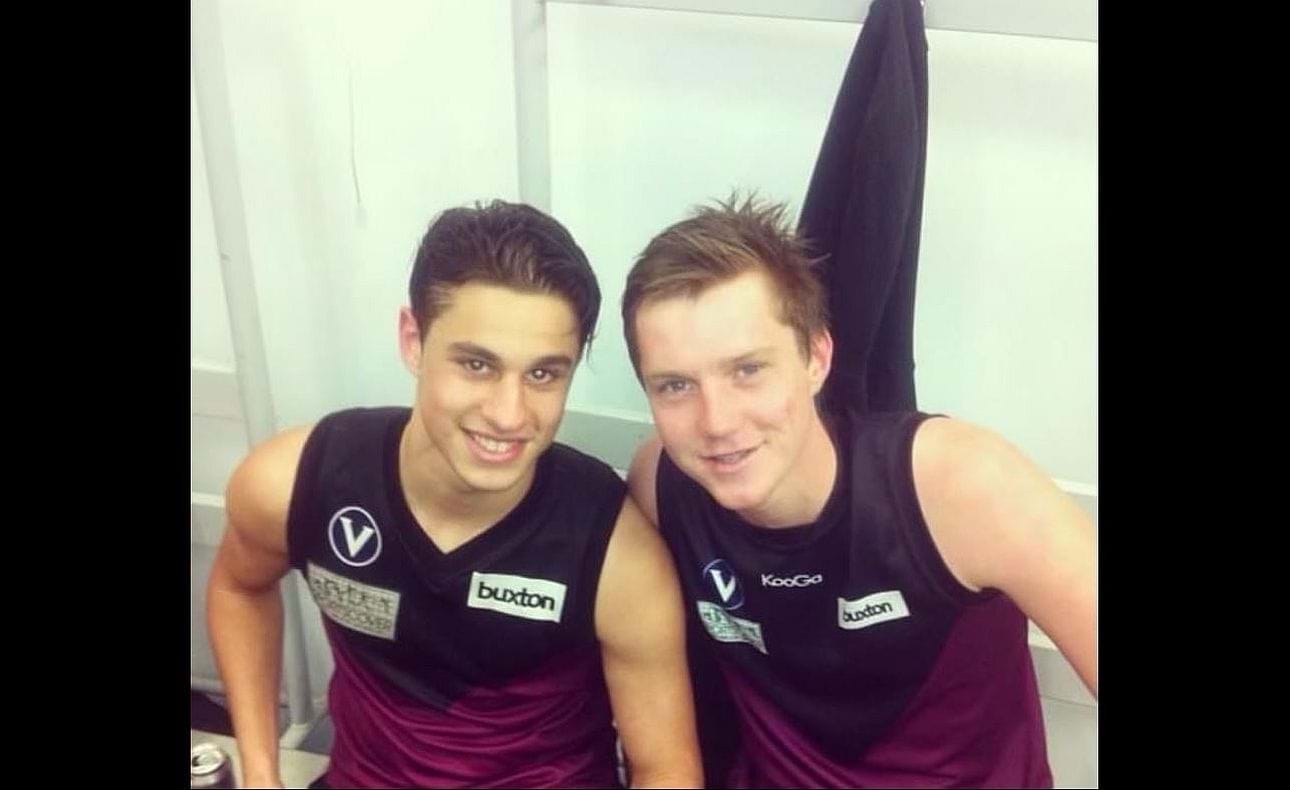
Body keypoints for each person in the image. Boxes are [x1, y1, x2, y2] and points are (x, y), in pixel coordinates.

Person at [207, 200, 702, 788]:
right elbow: (239, 587)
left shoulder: (617, 553)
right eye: (476, 364)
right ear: (413, 340)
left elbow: (666, 768)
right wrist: (262, 773)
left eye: (543, 374)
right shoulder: (297, 481)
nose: (508, 413)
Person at [622, 194, 1095, 787]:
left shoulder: (958, 485)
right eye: (675, 386)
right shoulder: (660, 486)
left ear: (817, 356)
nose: (716, 421)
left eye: (748, 370)